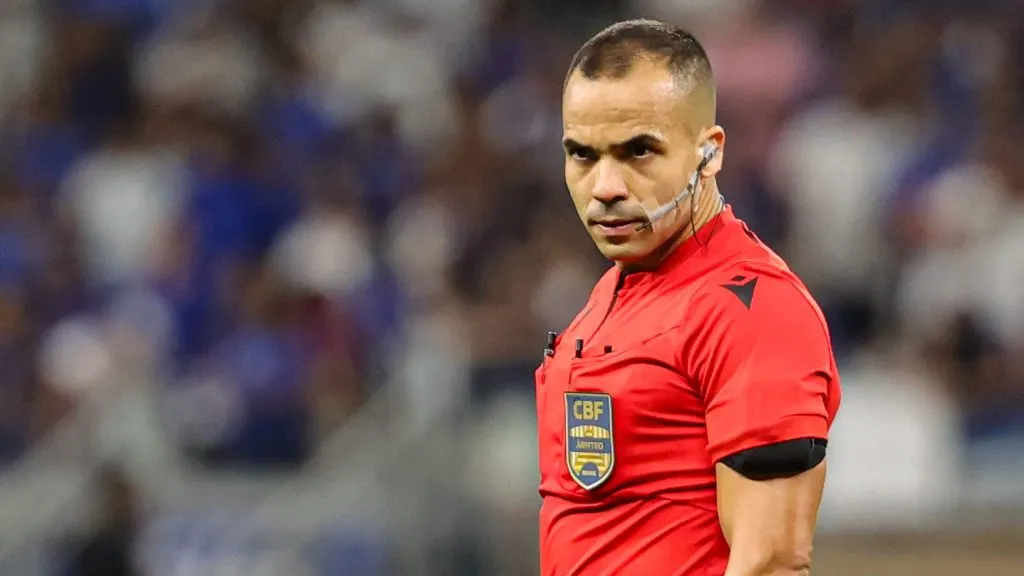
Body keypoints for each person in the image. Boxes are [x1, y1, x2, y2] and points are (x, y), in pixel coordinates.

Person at [536, 19, 841, 576]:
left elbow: (770, 561)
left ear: (710, 152)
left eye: (639, 152)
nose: (606, 186)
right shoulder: (615, 290)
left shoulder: (751, 308)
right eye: (582, 155)